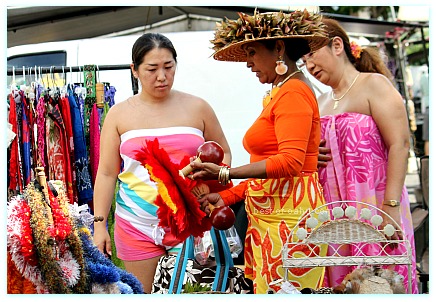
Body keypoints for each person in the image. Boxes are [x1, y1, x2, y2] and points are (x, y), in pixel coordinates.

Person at [190, 9, 330, 294]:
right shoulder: (281, 92)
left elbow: (289, 164)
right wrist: (227, 196)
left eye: (252, 53)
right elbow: (268, 170)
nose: (248, 63)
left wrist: (226, 172)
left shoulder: (293, 93)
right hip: (276, 218)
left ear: (278, 47)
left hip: (289, 223)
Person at [92, 33, 231, 293]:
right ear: (134, 70)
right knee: (140, 293)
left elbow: (224, 155)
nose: (162, 76)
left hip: (190, 222)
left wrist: (210, 187)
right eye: (151, 69)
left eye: (168, 67)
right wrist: (100, 226)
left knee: (192, 292)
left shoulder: (198, 107)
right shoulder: (118, 114)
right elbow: (108, 173)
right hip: (136, 223)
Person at [302, 17, 419, 293]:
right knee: (344, 287)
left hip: (376, 206)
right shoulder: (320, 102)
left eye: (312, 55)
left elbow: (400, 144)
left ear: (338, 45)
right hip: (335, 215)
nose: (309, 66)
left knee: (382, 284)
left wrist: (390, 207)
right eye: (303, 61)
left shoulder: (373, 84)